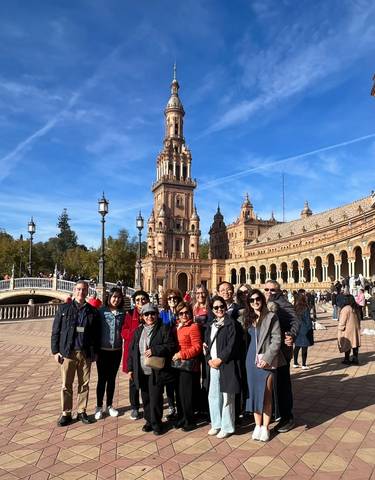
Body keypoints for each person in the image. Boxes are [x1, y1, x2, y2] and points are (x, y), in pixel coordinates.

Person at [51, 280, 100, 426]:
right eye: (79, 289)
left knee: (84, 384)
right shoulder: (64, 308)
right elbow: (56, 331)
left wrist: (95, 352)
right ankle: (66, 413)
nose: (81, 292)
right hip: (68, 352)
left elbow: (96, 335)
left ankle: (81, 411)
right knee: (66, 384)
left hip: (85, 353)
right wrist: (55, 351)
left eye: (84, 290)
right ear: (74, 290)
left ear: (87, 292)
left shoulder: (92, 311)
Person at [127, 303, 176, 435]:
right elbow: (132, 351)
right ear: (142, 316)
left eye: (152, 313)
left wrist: (155, 349)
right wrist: (131, 368)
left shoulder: (163, 328)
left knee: (155, 398)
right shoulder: (139, 331)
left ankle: (157, 422)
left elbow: (171, 345)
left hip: (156, 370)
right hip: (141, 370)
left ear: (156, 314)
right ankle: (149, 421)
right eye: (146, 314)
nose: (150, 316)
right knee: (146, 397)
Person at [245, 289, 285, 442]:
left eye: (257, 299)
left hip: (266, 360)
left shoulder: (270, 317)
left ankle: (266, 427)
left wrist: (268, 358)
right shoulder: (247, 318)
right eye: (252, 300)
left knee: (266, 395)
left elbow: (276, 340)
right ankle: (257, 425)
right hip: (251, 360)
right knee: (255, 394)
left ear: (262, 300)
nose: (255, 302)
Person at [264, 279, 300, 433]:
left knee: (282, 383)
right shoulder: (263, 302)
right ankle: (273, 412)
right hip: (268, 351)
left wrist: (291, 335)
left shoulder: (283, 303)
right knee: (270, 383)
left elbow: (295, 320)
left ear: (278, 291)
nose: (269, 292)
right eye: (267, 289)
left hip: (281, 351)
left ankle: (287, 417)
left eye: (273, 290)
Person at [204, 295, 242, 439]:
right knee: (213, 395)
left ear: (225, 308)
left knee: (227, 396)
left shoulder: (232, 324)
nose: (219, 309)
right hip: (213, 364)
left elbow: (232, 346)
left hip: (226, 364)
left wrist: (221, 359)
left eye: (222, 307)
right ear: (212, 310)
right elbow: (206, 344)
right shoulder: (211, 325)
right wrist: (209, 359)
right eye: (216, 307)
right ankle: (216, 424)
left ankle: (227, 426)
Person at [95, 287, 125, 420]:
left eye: (118, 297)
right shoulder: (101, 312)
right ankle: (98, 406)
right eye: (114, 297)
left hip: (116, 350)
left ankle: (110, 405)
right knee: (102, 379)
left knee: (112, 379)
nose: (116, 299)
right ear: (109, 297)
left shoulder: (123, 313)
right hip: (102, 350)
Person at [172, 302, 202, 431]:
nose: (184, 315)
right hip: (176, 365)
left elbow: (197, 347)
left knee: (186, 395)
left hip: (187, 364)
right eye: (181, 313)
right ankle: (181, 417)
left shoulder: (193, 326)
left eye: (186, 312)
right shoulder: (177, 327)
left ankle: (190, 420)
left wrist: (181, 354)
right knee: (178, 394)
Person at [121, 290, 150, 420]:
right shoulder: (129, 314)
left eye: (143, 299)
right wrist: (136, 332)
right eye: (137, 300)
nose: (140, 302)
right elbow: (123, 331)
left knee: (146, 379)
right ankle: (134, 407)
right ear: (134, 302)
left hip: (147, 352)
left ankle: (148, 405)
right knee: (133, 380)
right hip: (133, 352)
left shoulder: (151, 313)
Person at [159, 288, 182, 418]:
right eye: (170, 298)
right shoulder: (163, 314)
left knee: (179, 379)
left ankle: (180, 404)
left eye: (175, 298)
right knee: (169, 379)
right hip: (168, 351)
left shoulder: (182, 312)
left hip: (180, 349)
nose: (172, 300)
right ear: (166, 300)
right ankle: (171, 405)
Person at [293, 291, 314, 369]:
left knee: (297, 347)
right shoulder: (305, 307)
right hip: (304, 329)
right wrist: (310, 328)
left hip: (297, 329)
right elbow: (308, 320)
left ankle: (295, 362)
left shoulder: (295, 307)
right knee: (304, 347)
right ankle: (304, 364)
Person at [338, 296, 361, 365]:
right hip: (355, 328)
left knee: (347, 343)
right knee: (355, 343)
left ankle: (347, 359)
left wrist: (340, 328)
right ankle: (355, 358)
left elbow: (342, 320)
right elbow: (359, 318)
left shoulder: (346, 309)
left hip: (348, 329)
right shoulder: (356, 307)